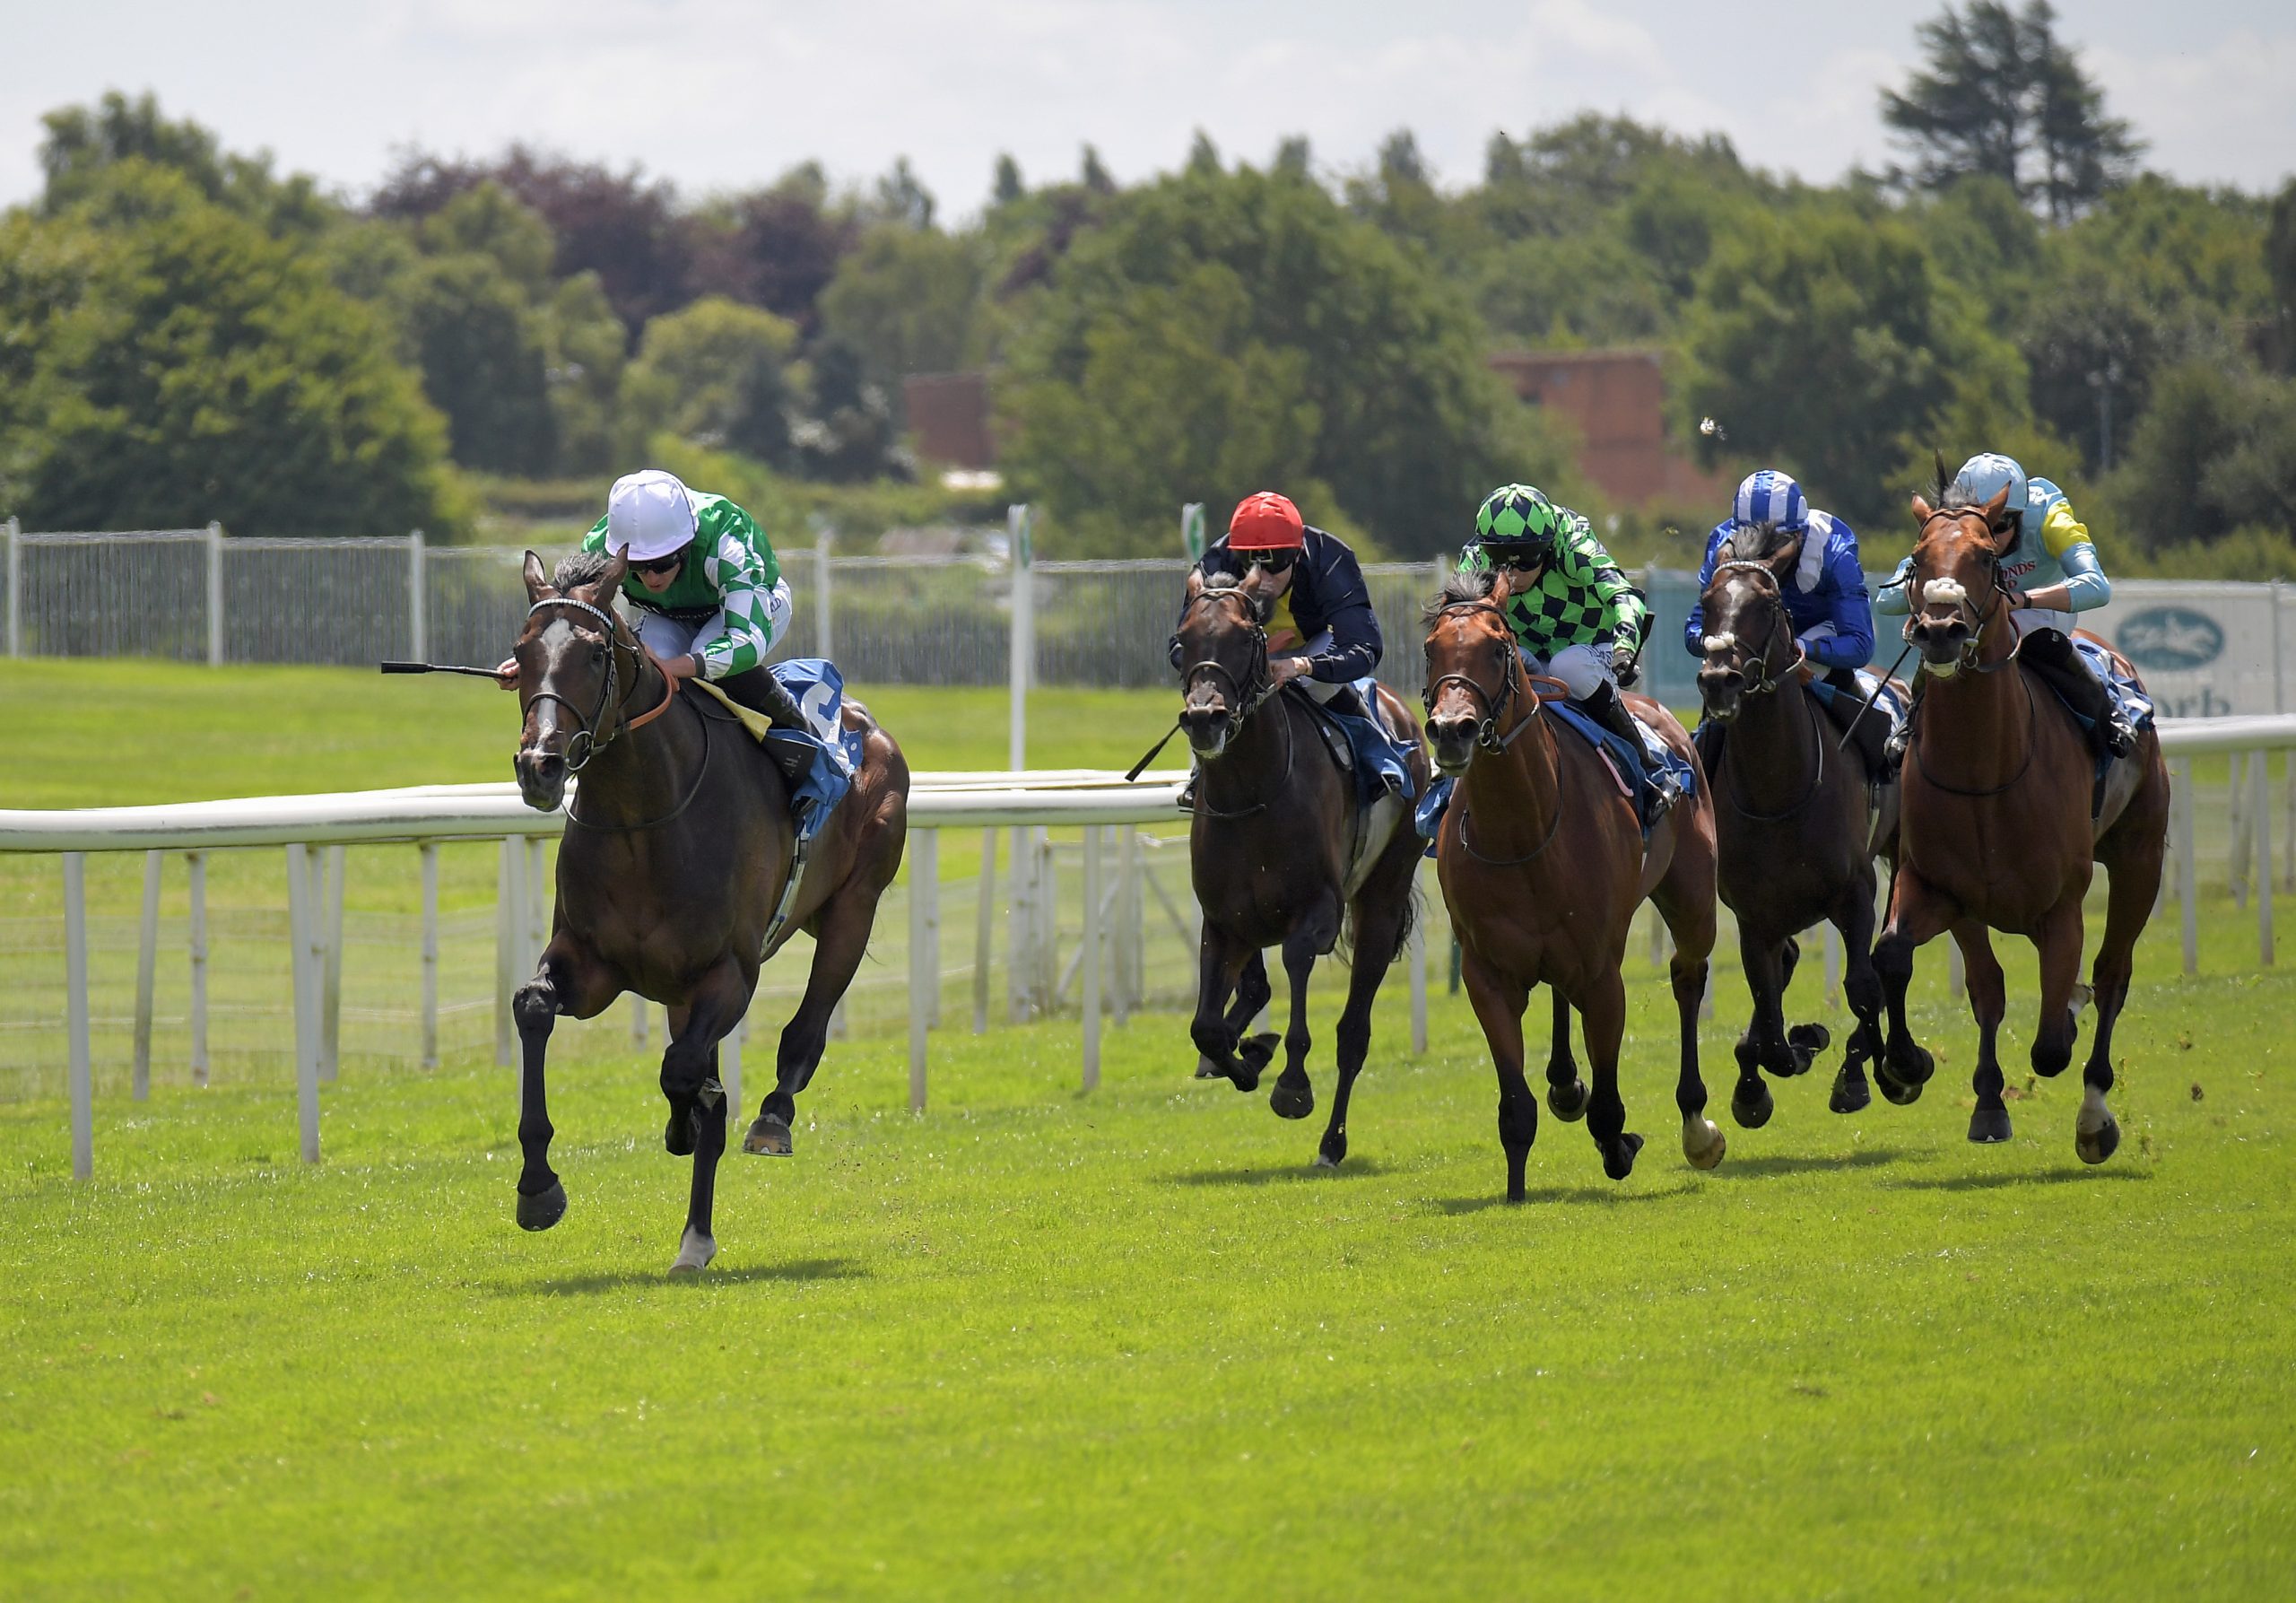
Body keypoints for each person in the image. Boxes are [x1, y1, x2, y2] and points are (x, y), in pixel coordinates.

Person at [501, 468, 808, 730]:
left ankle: (802, 735)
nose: (651, 578)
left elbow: (746, 640)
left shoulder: (726, 542)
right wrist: (532, 662)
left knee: (705, 667)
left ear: (686, 546)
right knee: (644, 677)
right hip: (668, 616)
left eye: (663, 563)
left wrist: (674, 666)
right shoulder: (600, 547)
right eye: (636, 567)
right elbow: (571, 620)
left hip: (746, 611)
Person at [1876, 451, 2135, 758]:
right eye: (1977, 524)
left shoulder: (2050, 518)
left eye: (1999, 525)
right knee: (1940, 635)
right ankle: (1912, 720)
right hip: (1975, 612)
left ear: (2021, 516)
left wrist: (2021, 600)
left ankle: (2107, 712)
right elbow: (1887, 600)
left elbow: (2097, 587)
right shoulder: (1949, 528)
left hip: (2039, 607)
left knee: (2033, 635)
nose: (1987, 536)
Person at [1170, 491, 1412, 800]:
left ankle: (1375, 756)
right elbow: (1181, 645)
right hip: (1245, 651)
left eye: (1277, 562)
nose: (1262, 577)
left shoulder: (1330, 558)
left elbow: (1364, 648)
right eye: (1249, 563)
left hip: (1316, 644)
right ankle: (1203, 772)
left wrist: (1302, 665)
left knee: (1321, 686)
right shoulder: (1216, 563)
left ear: (1297, 553)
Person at [1456, 483, 1677, 807]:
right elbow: (1459, 621)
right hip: (1524, 653)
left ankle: (1647, 767)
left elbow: (1624, 595)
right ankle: (1448, 784)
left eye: (1526, 561)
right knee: (1502, 664)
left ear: (1547, 547)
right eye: (1501, 561)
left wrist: (1624, 649)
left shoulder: (1573, 544)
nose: (1512, 575)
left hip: (1589, 649)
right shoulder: (1476, 557)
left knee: (1568, 666)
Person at [1683, 469, 1890, 777]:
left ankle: (1881, 768)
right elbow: (1693, 631)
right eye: (1750, 539)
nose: (1760, 552)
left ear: (1799, 535)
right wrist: (1722, 645)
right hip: (1752, 645)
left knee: (1824, 676)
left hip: (1819, 636)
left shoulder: (1833, 549)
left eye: (1774, 542)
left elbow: (1859, 645)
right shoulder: (1722, 545)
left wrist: (1794, 648)